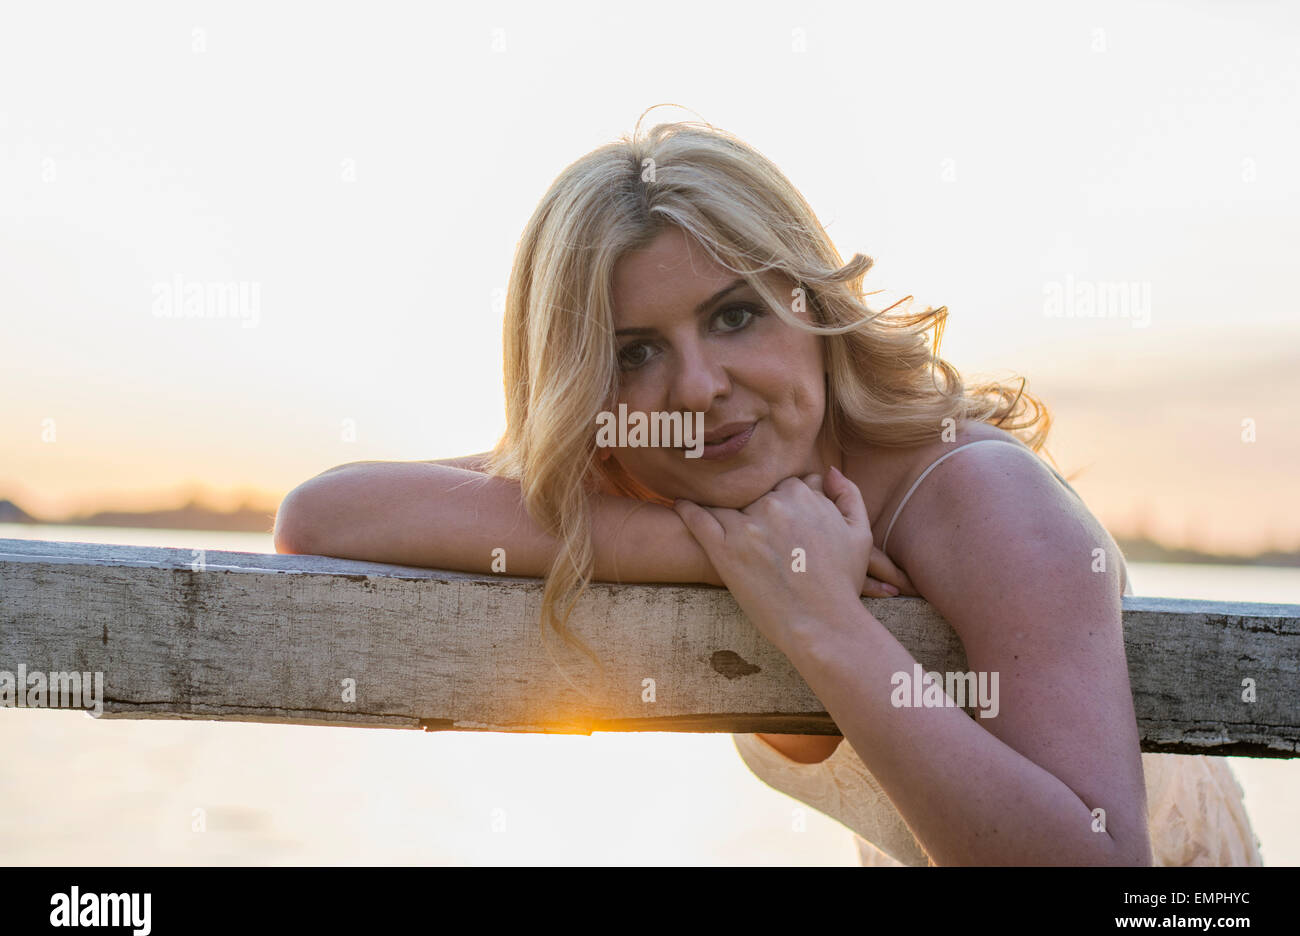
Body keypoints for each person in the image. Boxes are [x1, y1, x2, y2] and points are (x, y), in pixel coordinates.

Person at [274, 112, 1263, 866]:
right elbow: (322, 512)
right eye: (635, 350)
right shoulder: (671, 475)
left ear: (813, 302)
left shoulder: (977, 496)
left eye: (736, 315)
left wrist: (825, 622)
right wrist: (712, 546)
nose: (697, 386)